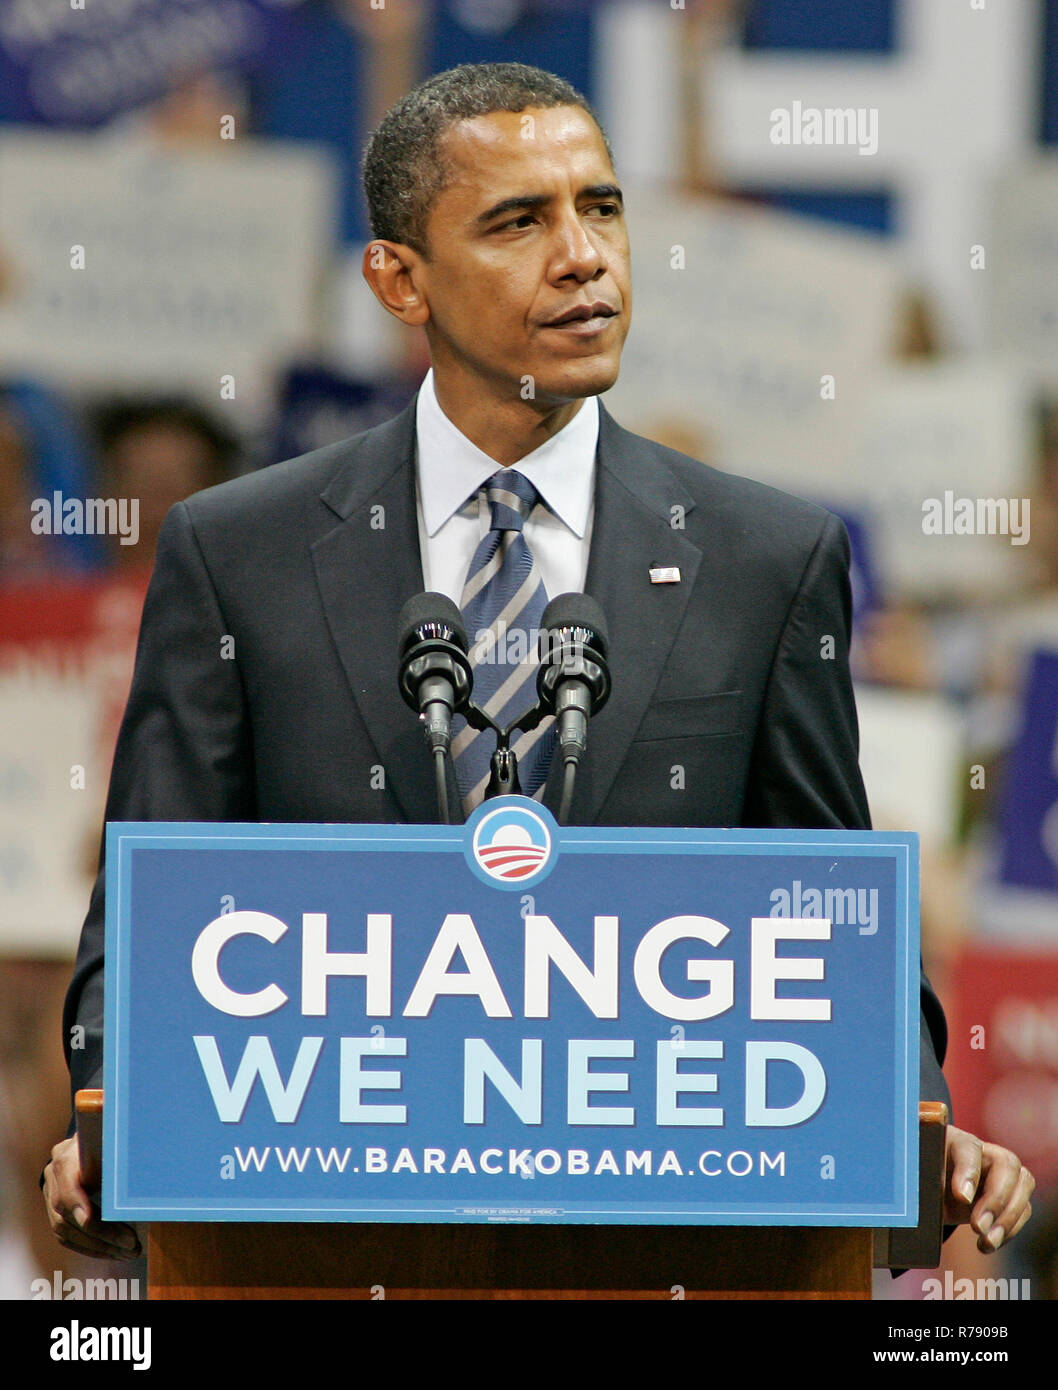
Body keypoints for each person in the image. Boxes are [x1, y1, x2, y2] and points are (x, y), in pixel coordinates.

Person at [44, 62, 1032, 1263]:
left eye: (601, 207)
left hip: (658, 1258)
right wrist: (113, 1111)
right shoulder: (237, 551)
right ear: (397, 277)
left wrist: (913, 1119)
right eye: (518, 221)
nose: (581, 256)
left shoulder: (766, 556)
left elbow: (825, 921)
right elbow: (152, 911)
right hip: (328, 1251)